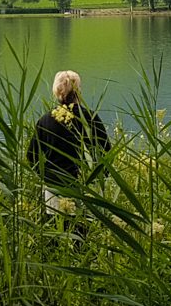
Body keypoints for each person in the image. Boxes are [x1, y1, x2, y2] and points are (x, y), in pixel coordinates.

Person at [27, 70, 111, 237]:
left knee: (56, 238)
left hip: (54, 190)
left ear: (56, 91)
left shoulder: (45, 119)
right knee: (84, 239)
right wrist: (100, 178)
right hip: (86, 187)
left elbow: (32, 157)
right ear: (78, 90)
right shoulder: (90, 117)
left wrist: (46, 178)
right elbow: (106, 151)